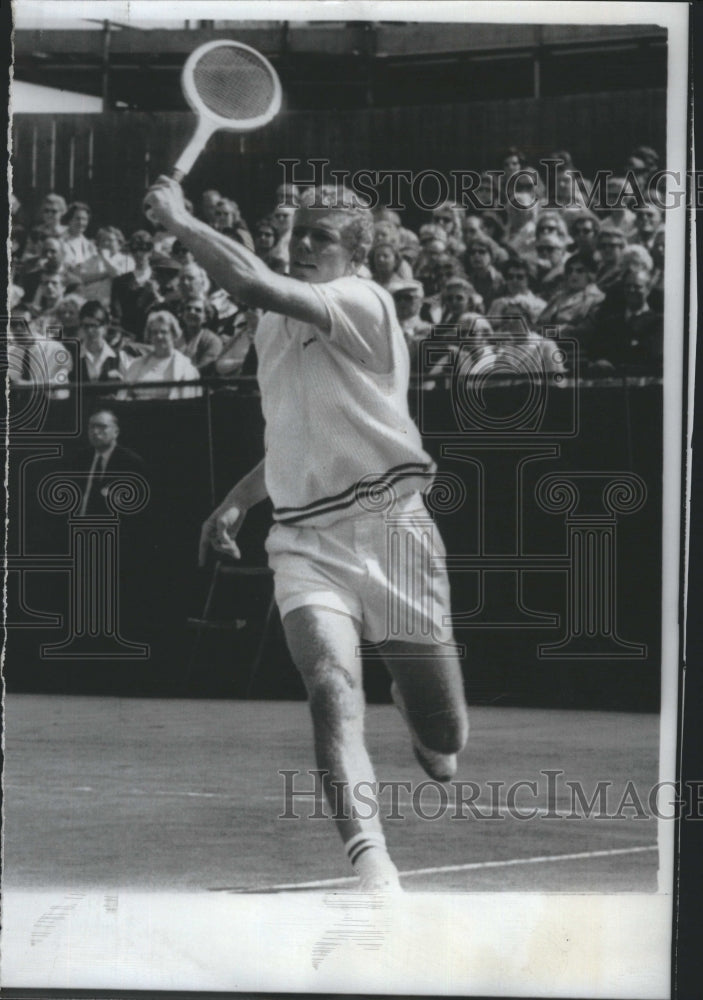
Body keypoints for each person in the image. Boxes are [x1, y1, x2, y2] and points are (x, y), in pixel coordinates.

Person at [145, 177, 469, 892]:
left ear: (356, 252)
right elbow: (293, 433)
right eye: (295, 233)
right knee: (328, 686)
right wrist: (235, 501)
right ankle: (371, 864)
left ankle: (421, 715)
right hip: (302, 540)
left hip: (392, 532)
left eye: (319, 236)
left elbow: (252, 282)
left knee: (445, 742)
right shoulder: (273, 319)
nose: (300, 245)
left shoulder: (363, 302)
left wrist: (180, 218)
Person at [120, 310, 201, 400]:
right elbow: (124, 396)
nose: (159, 336)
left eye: (164, 332)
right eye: (154, 332)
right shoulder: (137, 365)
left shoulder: (185, 368)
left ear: (173, 334)